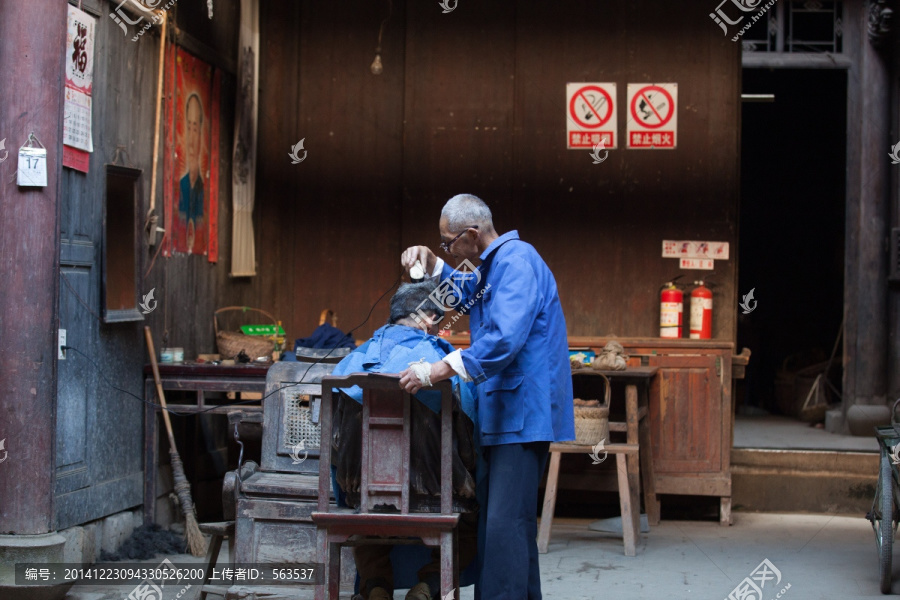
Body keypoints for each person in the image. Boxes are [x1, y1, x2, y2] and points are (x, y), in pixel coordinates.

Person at [399, 194, 574, 600]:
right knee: (511, 528)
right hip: (506, 414)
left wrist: (439, 369)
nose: (446, 248)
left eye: (447, 243)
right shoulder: (495, 266)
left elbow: (503, 339)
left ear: (472, 235)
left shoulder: (517, 261)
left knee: (503, 529)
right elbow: (467, 293)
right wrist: (434, 264)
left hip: (522, 415)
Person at [330, 282, 479, 600]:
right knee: (473, 511)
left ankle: (375, 585)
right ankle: (432, 584)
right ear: (428, 318)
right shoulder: (442, 365)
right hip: (438, 492)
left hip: (364, 490)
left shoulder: (351, 364)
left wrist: (353, 481)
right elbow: (468, 442)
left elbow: (334, 443)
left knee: (360, 511)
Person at [179, 93, 205, 251]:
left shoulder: (202, 186)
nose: (191, 136)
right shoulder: (182, 185)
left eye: (195, 128)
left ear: (201, 133)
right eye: (188, 127)